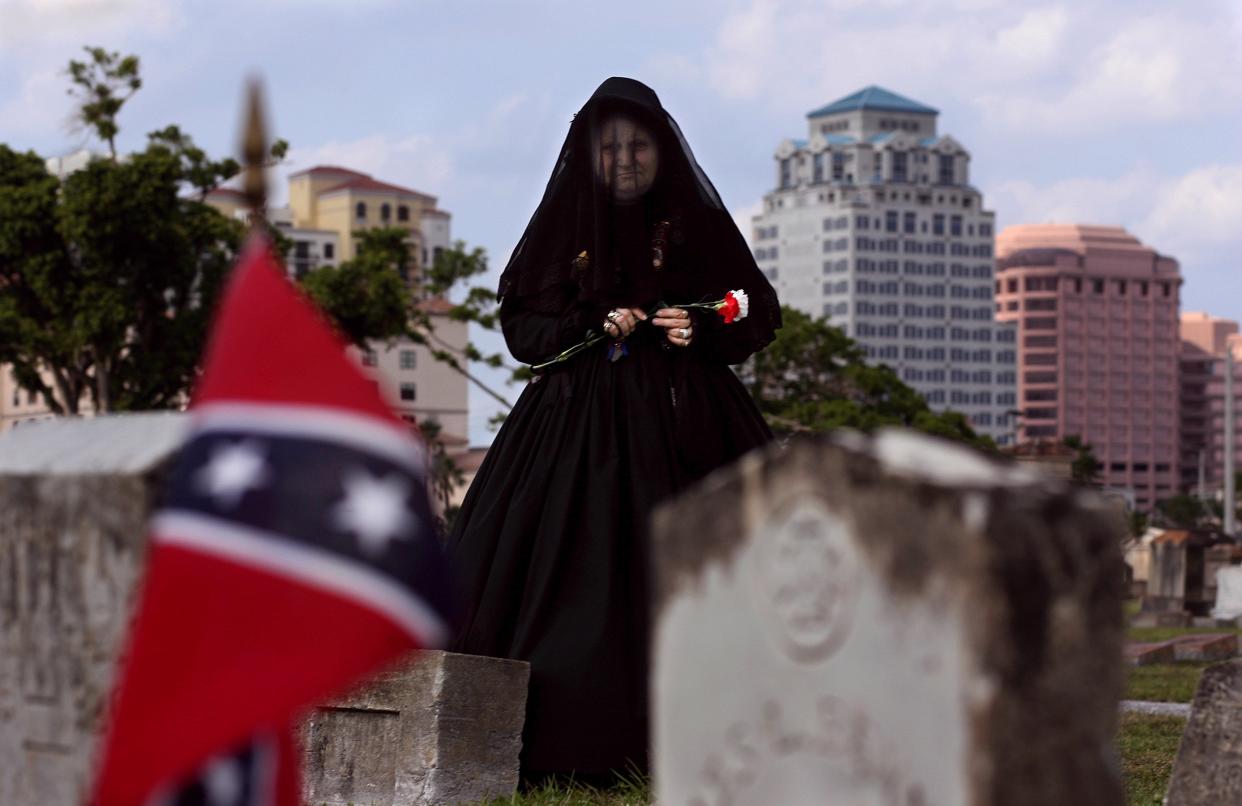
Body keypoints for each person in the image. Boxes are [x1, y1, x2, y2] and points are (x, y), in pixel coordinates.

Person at [448, 77, 780, 781]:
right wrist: (588, 325)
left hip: (689, 420)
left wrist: (700, 326)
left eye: (639, 146)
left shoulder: (696, 224)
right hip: (574, 429)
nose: (626, 159)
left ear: (662, 151)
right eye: (612, 148)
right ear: (590, 156)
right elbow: (522, 326)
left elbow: (756, 310)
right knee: (564, 571)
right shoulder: (563, 228)